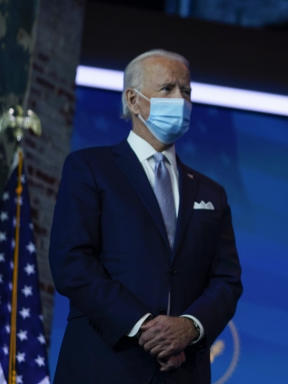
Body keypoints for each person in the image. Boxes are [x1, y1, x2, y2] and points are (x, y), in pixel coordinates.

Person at [50, 49, 242, 383]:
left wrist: (189, 328)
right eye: (168, 89)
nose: (180, 99)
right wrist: (143, 327)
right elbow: (72, 262)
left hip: (183, 371)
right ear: (133, 100)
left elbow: (226, 281)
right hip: (104, 364)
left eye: (186, 91)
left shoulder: (212, 193)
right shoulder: (90, 169)